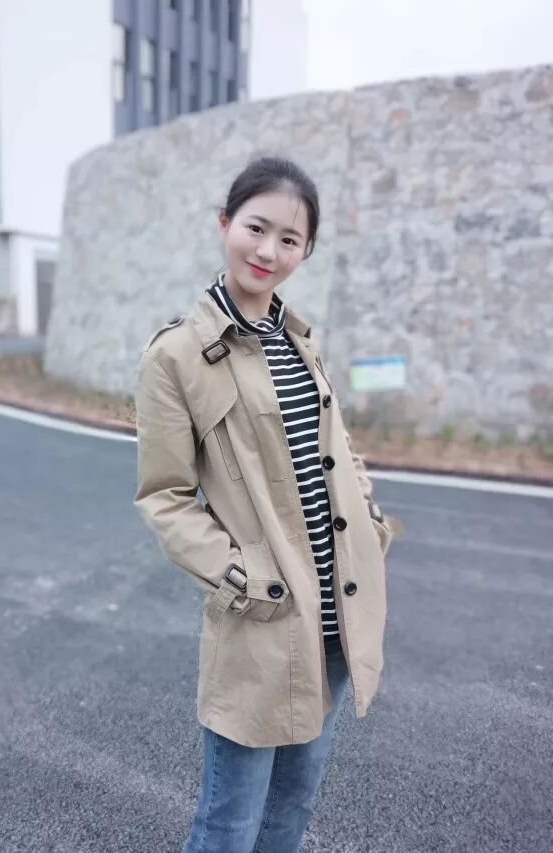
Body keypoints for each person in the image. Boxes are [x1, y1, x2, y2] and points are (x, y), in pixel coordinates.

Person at [133, 155, 402, 853]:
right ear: (225, 223)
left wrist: (369, 522)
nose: (268, 250)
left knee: (292, 809)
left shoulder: (299, 338)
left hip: (336, 614)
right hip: (264, 615)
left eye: (290, 239)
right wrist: (238, 573)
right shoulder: (177, 355)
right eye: (256, 227)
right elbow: (165, 497)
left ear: (305, 251)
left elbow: (339, 447)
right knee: (230, 822)